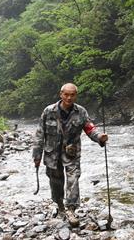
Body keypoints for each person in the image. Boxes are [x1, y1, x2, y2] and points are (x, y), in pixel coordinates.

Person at [32, 83, 108, 226]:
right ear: (61, 94)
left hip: (72, 153)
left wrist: (99, 137)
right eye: (66, 94)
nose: (69, 98)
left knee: (73, 180)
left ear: (76, 96)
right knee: (56, 182)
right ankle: (60, 206)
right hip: (52, 154)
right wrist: (37, 155)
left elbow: (90, 128)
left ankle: (71, 209)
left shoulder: (81, 112)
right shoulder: (48, 111)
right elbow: (39, 134)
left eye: (72, 95)